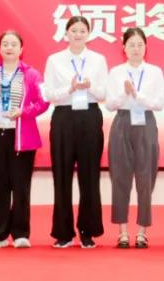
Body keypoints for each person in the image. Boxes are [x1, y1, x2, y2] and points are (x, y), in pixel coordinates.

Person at [0, 30, 49, 248]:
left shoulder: (31, 74)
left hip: (22, 137)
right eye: (5, 44)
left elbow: (44, 102)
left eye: (13, 44)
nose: (9, 47)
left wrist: (23, 112)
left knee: (21, 186)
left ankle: (21, 233)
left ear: (21, 49)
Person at [41, 16, 110, 248]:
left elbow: (103, 94)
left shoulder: (98, 60)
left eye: (82, 31)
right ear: (66, 33)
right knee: (62, 175)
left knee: (89, 175)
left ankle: (88, 231)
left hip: (89, 116)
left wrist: (91, 86)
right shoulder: (55, 60)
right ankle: (63, 232)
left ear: (88, 34)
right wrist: (69, 88)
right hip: (64, 117)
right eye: (74, 30)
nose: (78, 34)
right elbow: (49, 94)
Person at [105, 27, 164, 249]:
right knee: (120, 177)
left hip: (146, 123)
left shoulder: (155, 72)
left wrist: (137, 95)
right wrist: (125, 93)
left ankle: (142, 232)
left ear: (146, 47)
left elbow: (159, 103)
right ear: (124, 48)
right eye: (131, 45)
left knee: (145, 177)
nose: (136, 49)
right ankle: (122, 231)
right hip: (122, 122)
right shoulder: (116, 72)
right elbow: (110, 104)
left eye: (140, 45)